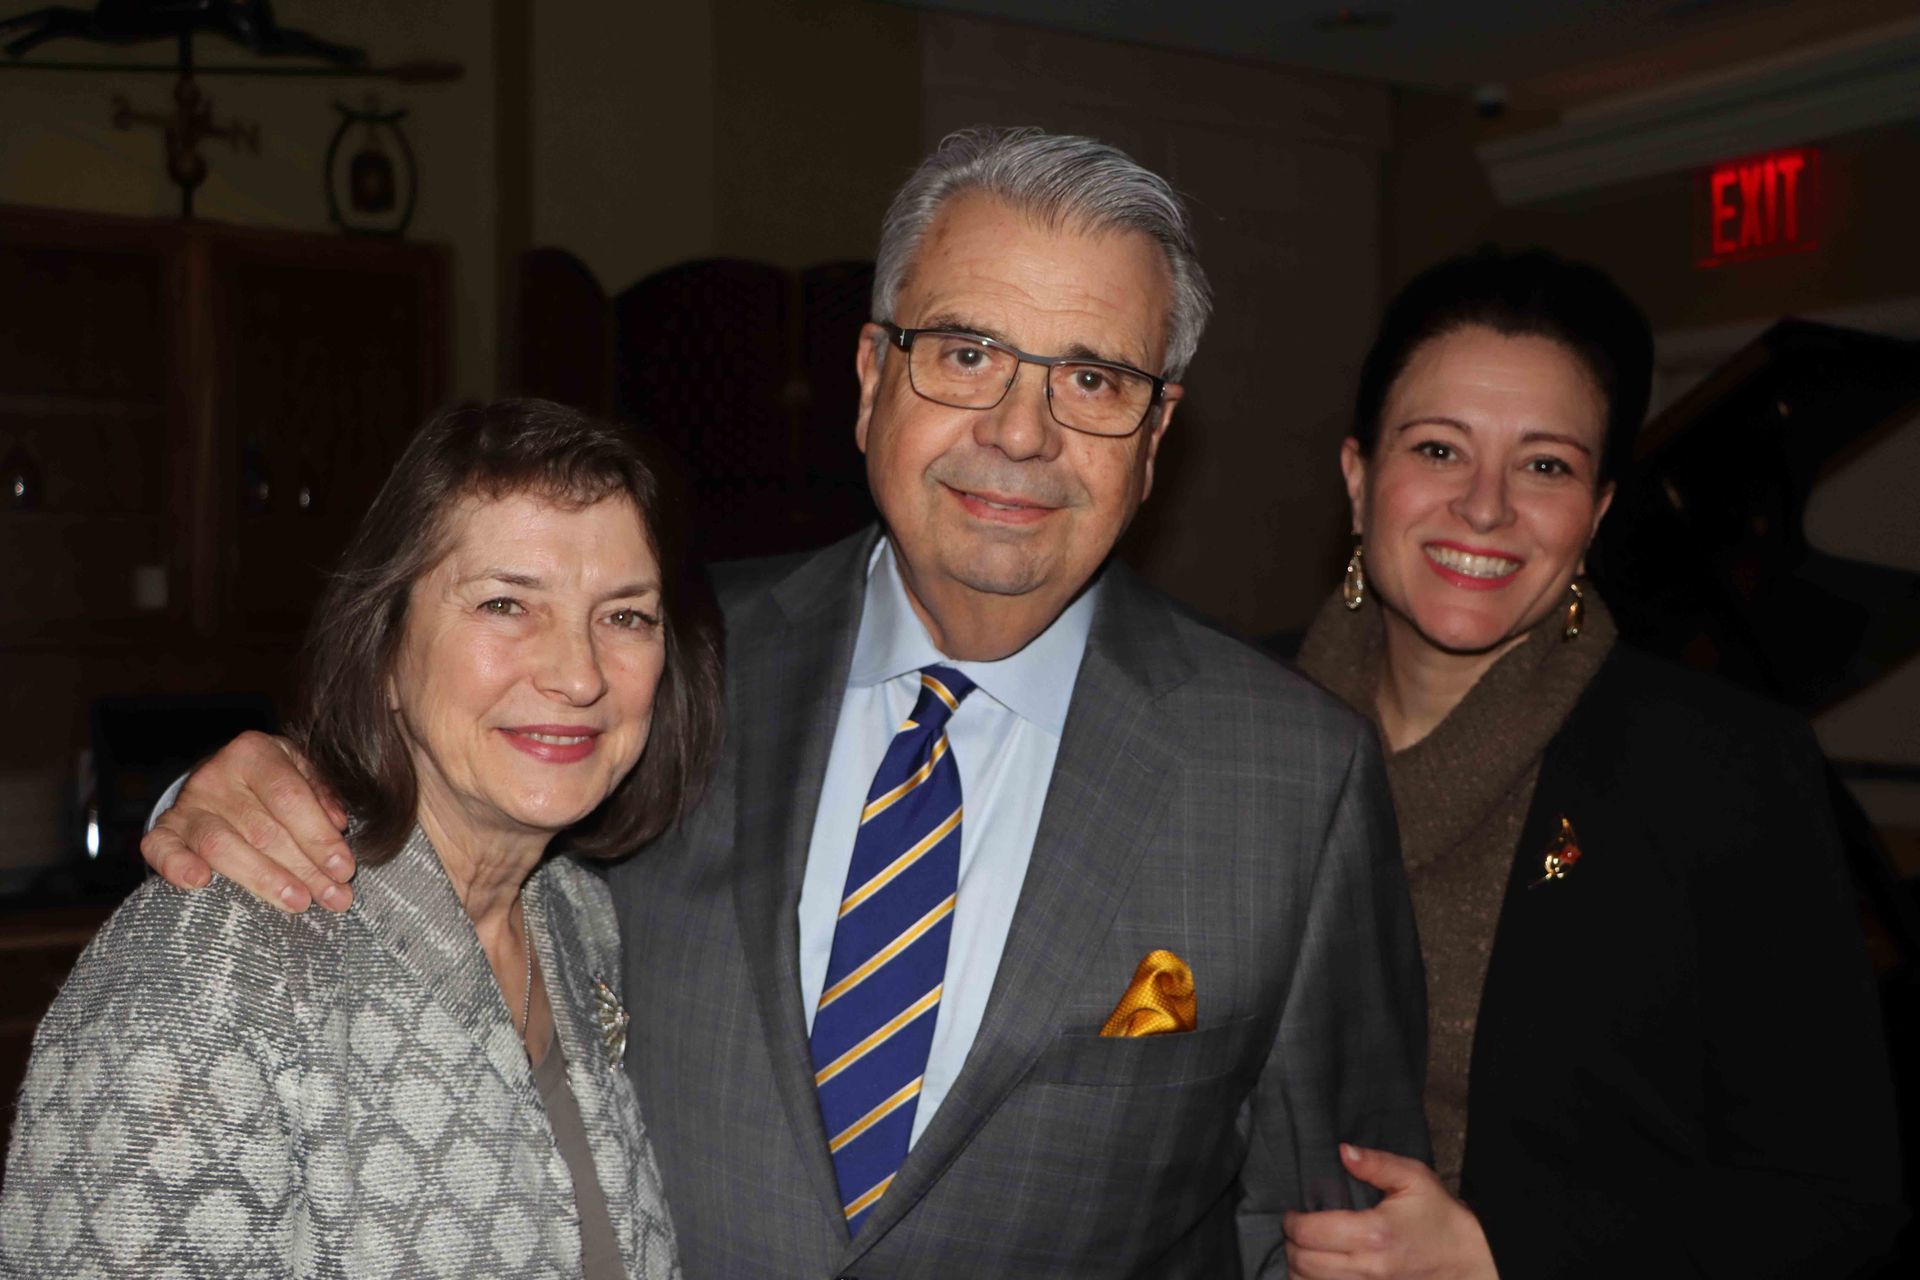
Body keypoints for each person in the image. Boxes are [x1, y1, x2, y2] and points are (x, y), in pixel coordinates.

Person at [137, 128, 1430, 1278]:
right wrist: (241, 796)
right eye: (967, 352)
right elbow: (428, 833)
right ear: (871, 377)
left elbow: (1323, 1237)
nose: (1023, 431)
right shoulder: (650, 663)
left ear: (1156, 436)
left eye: (1092, 381)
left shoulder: (1291, 777)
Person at [1280, 249, 1905, 1279]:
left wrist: (1502, 1251)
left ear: (1599, 513)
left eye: (1545, 465)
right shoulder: (1222, 719)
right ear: (1358, 478)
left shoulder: (1723, 771)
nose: (1485, 507)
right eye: (1438, 449)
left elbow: (1836, 1204)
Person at [1, 400, 724, 1278]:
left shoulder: (578, 921)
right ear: (384, 647)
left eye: (625, 616)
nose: (577, 673)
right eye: (505, 603)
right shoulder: (215, 965)